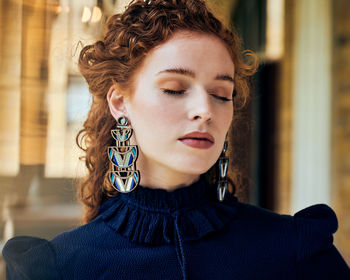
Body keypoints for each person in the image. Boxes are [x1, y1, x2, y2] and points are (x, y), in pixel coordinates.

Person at [2, 0, 350, 279]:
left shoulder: (298, 252)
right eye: (174, 89)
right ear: (120, 101)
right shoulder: (60, 267)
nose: (205, 110)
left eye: (221, 93)